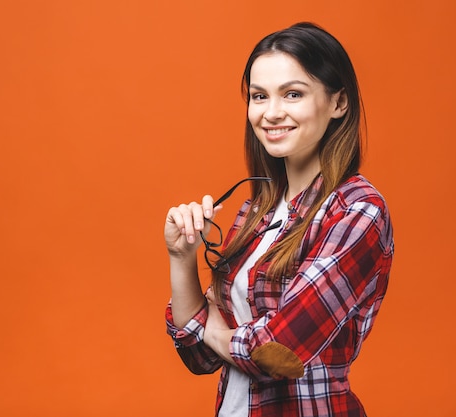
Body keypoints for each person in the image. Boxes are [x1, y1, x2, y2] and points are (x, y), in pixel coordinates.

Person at [164, 22, 394, 417]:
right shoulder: (258, 212)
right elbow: (199, 355)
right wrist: (182, 259)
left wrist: (215, 328)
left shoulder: (357, 210)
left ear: (339, 103)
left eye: (292, 94)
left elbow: (276, 351)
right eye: (258, 96)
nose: (271, 113)